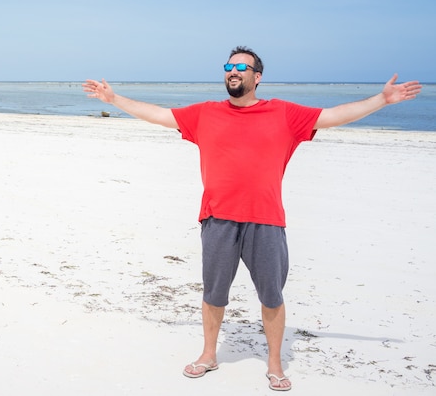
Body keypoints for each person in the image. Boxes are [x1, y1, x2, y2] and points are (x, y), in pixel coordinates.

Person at [83, 46, 422, 392]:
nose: (233, 71)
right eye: (228, 66)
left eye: (241, 67)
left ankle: (274, 364)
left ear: (257, 76)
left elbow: (335, 115)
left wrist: (381, 100)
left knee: (271, 295)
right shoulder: (206, 114)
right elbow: (158, 114)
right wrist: (114, 99)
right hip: (217, 219)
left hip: (266, 220)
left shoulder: (284, 113)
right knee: (214, 293)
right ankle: (208, 355)